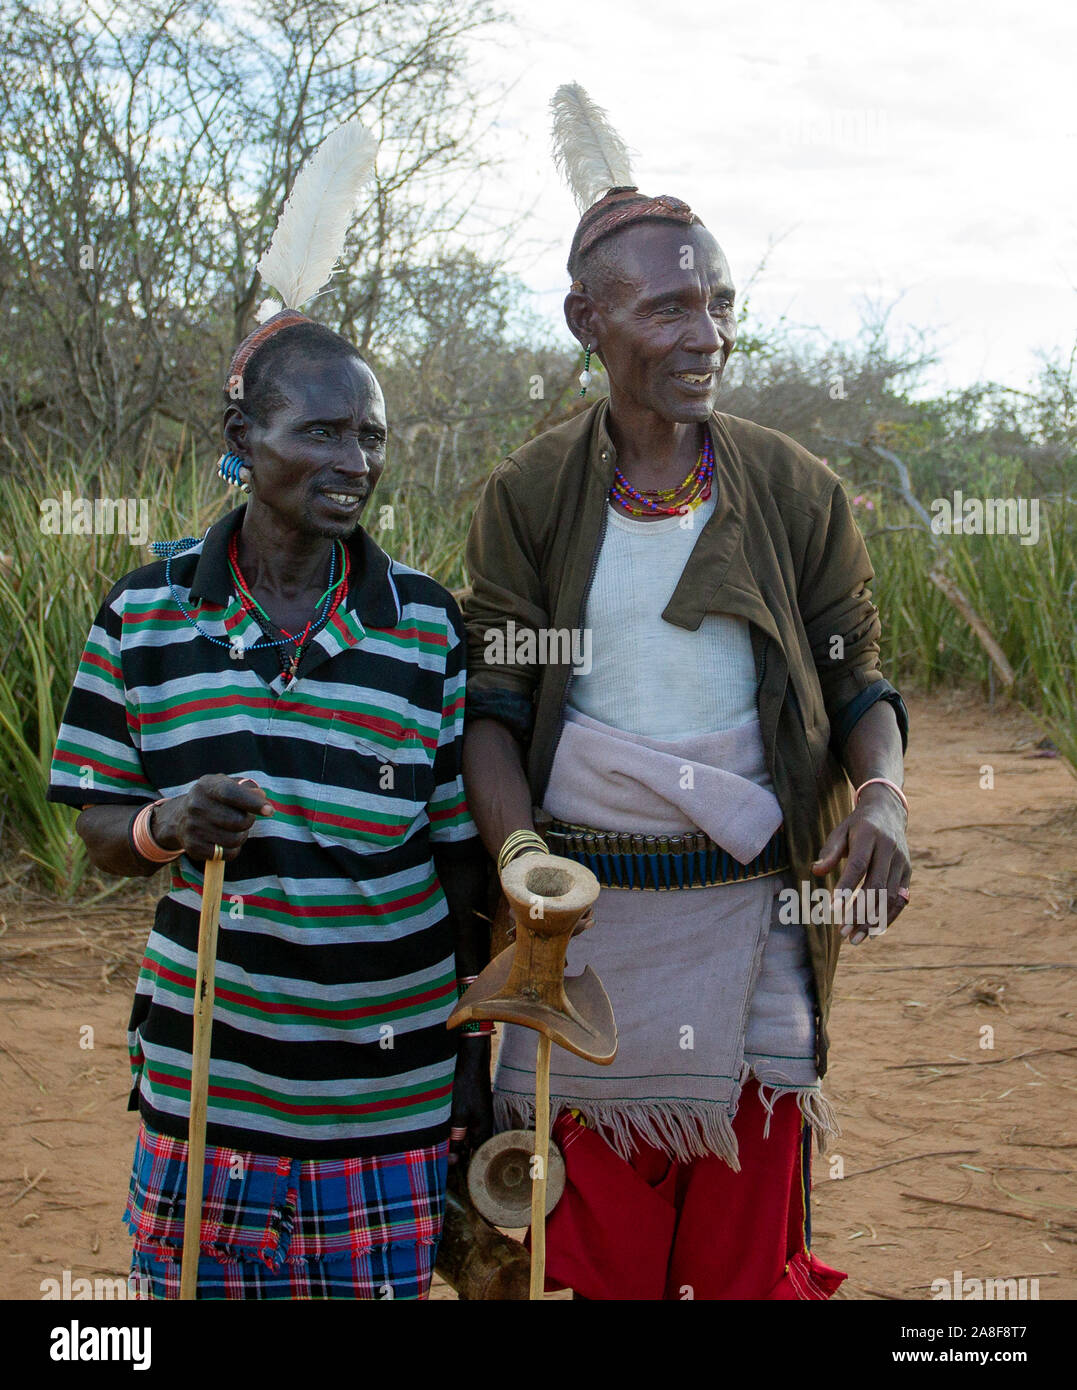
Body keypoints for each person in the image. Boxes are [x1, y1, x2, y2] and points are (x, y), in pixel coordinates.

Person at [459, 87, 911, 1300]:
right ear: (586, 321)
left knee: (739, 1257)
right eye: (667, 305)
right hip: (581, 930)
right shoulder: (532, 494)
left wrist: (881, 798)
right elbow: (495, 708)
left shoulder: (796, 489)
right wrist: (526, 883)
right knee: (594, 1255)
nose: (705, 329)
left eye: (717, 302)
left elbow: (854, 674)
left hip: (752, 926)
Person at [47, 306, 491, 1299]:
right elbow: (98, 823)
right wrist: (167, 825)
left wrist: (472, 1051)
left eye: (370, 435)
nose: (355, 461)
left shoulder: (422, 624)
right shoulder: (147, 611)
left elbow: (460, 855)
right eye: (322, 432)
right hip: (211, 1080)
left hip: (389, 1089)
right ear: (242, 441)